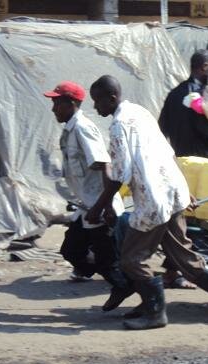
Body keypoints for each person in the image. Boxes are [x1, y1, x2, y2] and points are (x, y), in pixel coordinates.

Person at [86, 75, 208, 330]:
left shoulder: (118, 126)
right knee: (184, 257)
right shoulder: (140, 112)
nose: (95, 108)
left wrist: (100, 207)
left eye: (97, 102)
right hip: (172, 190)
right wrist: (183, 188)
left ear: (111, 98)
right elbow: (167, 151)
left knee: (132, 260)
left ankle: (155, 313)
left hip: (154, 199)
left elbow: (119, 174)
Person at [44, 81, 133, 306]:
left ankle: (143, 295)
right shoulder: (70, 129)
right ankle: (124, 281)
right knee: (71, 251)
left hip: (99, 207)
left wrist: (107, 207)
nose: (54, 109)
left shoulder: (83, 128)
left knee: (108, 264)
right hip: (86, 206)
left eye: (57, 103)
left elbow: (104, 165)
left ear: (71, 103)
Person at [158, 49, 208, 289]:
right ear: (202, 68)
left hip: (180, 163)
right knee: (205, 216)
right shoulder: (199, 98)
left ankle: (172, 271)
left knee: (180, 218)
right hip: (202, 166)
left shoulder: (175, 93)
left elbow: (162, 128)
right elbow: (207, 131)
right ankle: (205, 268)